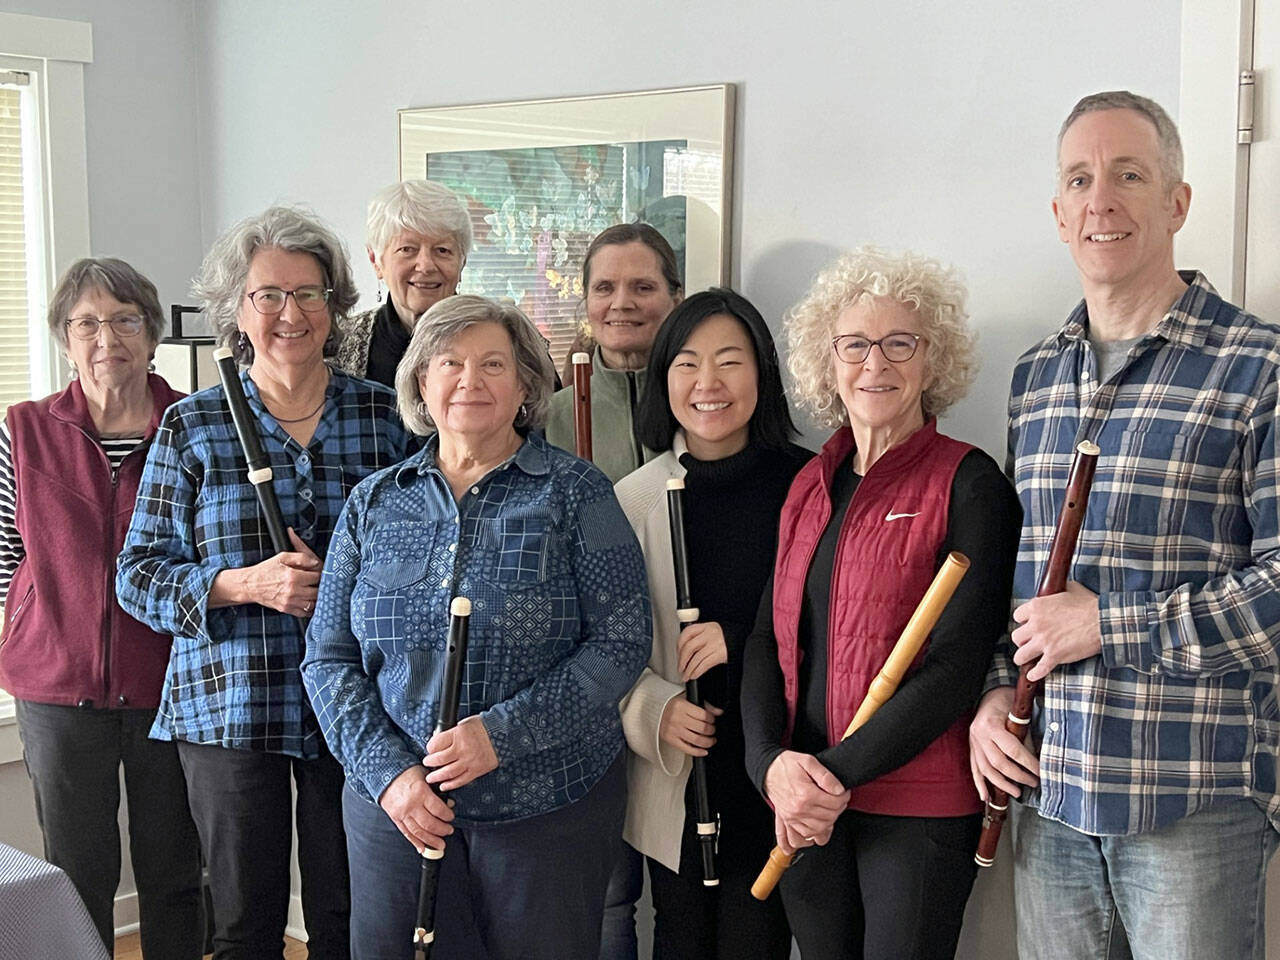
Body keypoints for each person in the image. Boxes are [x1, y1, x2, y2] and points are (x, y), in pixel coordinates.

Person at [968, 90, 1280, 960]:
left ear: (1177, 202)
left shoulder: (1260, 367)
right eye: (1080, 179)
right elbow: (1023, 582)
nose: (1101, 197)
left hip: (1192, 806)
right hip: (1052, 799)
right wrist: (997, 690)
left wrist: (1110, 624)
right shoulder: (1034, 378)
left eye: (1129, 175)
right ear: (1060, 214)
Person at [301, 294, 651, 960]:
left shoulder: (576, 493)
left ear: (524, 384)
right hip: (398, 808)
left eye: (493, 363)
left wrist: (503, 735)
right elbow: (328, 658)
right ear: (421, 383)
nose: (470, 380)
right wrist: (388, 776)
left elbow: (622, 640)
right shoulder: (373, 502)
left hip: (547, 805)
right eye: (450, 363)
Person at [116, 206, 413, 960]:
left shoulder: (385, 417)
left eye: (309, 293)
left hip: (354, 699)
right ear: (237, 311)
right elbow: (138, 575)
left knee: (350, 911)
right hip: (230, 702)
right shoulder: (193, 425)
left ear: (334, 303)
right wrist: (246, 583)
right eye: (268, 295)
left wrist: (354, 584)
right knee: (246, 920)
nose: (290, 313)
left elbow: (421, 552)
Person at [740, 248, 1021, 960]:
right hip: (806, 801)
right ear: (828, 362)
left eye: (901, 343)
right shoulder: (810, 482)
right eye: (856, 345)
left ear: (934, 360)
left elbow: (955, 669)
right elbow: (767, 643)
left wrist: (834, 774)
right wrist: (772, 765)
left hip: (916, 807)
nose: (877, 364)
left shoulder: (970, 481)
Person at [0, 258, 202, 958]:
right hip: (57, 690)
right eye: (86, 323)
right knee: (75, 874)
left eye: (124, 320)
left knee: (175, 870)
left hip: (172, 686)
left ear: (151, 335)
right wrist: (35, 619)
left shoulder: (195, 426)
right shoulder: (22, 431)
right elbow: (5, 551)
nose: (106, 338)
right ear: (64, 339)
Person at [608, 289, 808, 959]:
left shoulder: (810, 486)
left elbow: (845, 629)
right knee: (680, 937)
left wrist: (743, 639)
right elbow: (599, 648)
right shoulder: (634, 499)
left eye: (731, 361)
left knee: (759, 939)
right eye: (688, 363)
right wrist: (655, 711)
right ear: (664, 378)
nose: (709, 384)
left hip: (777, 767)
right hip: (677, 774)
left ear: (763, 373)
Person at [545, 223, 683, 481]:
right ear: (586, 300)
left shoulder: (699, 404)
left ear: (676, 299)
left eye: (643, 287)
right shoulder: (550, 419)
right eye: (604, 288)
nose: (621, 303)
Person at [335, 179, 472, 386]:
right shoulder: (338, 344)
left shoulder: (506, 339)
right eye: (407, 249)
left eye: (442, 250)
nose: (426, 266)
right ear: (376, 261)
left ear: (462, 262)